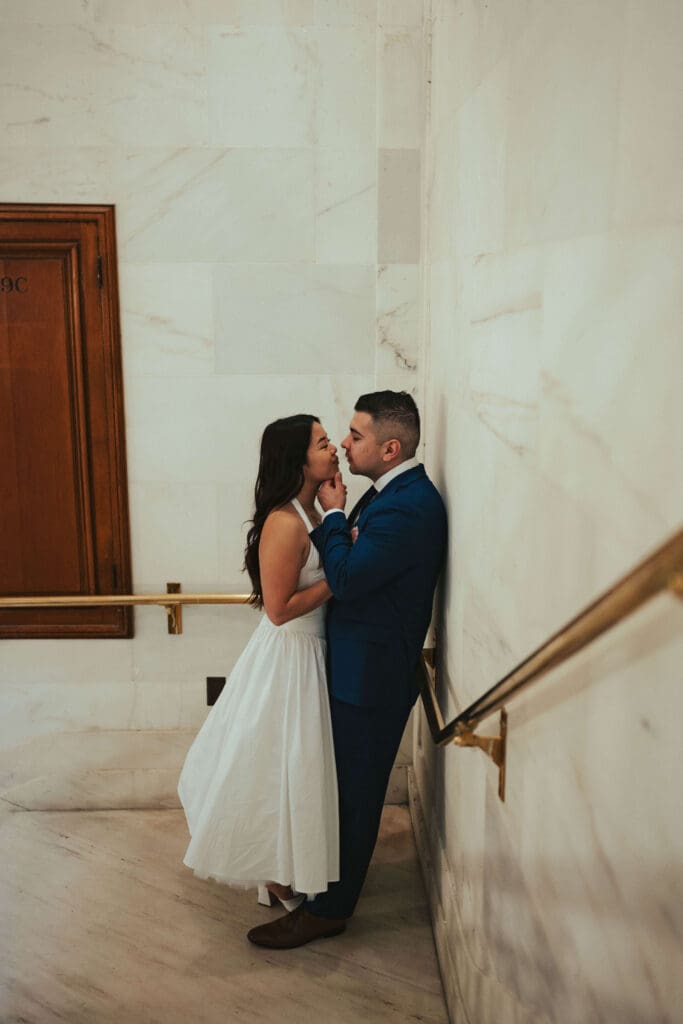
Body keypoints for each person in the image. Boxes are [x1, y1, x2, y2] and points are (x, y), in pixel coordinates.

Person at [248, 390, 447, 949]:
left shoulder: (408, 504)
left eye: (354, 435)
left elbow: (352, 578)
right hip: (349, 668)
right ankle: (310, 880)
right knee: (334, 789)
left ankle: (328, 912)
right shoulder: (387, 493)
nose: (342, 442)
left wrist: (335, 516)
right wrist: (339, 524)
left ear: (388, 447)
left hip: (372, 678)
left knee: (356, 798)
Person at [177, 414, 342, 907]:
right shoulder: (285, 522)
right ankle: (274, 871)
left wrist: (338, 517)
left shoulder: (313, 512)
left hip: (312, 651)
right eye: (322, 442)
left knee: (295, 768)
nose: (333, 447)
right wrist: (341, 576)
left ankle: (288, 864)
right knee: (279, 764)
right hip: (289, 657)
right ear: (298, 459)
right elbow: (277, 609)